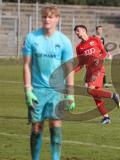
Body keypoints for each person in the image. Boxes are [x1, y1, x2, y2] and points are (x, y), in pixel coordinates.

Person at [23, 6, 75, 160]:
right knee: (36, 127)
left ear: (57, 19)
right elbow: (26, 65)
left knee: (56, 125)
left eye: (51, 17)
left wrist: (70, 95)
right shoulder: (32, 38)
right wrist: (27, 89)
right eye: (45, 16)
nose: (47, 19)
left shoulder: (64, 41)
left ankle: (55, 158)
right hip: (37, 91)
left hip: (56, 91)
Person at [74, 24, 120, 124]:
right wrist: (72, 73)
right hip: (90, 71)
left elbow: (104, 53)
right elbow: (81, 64)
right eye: (75, 32)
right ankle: (106, 117)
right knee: (96, 96)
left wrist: (99, 59)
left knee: (90, 90)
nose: (76, 33)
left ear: (84, 31)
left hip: (98, 69)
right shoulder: (79, 48)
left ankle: (113, 95)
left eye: (78, 31)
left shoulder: (95, 40)